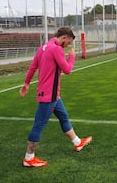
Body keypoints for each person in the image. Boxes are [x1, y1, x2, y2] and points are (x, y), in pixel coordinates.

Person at [19, 27, 92, 168]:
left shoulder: (44, 46)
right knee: (39, 125)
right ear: (64, 37)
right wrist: (72, 57)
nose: (68, 46)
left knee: (63, 117)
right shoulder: (56, 49)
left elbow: (33, 66)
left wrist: (27, 83)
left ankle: (77, 143)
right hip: (49, 96)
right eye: (68, 42)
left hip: (53, 95)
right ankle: (29, 157)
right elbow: (68, 70)